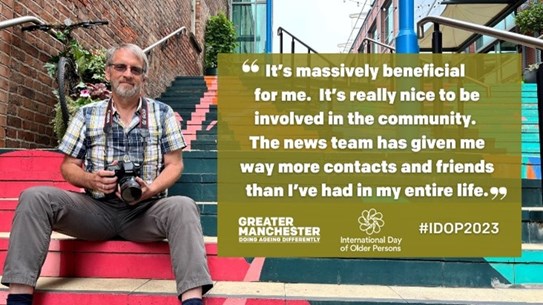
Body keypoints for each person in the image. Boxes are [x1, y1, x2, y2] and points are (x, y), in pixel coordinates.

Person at [2, 43, 213, 305]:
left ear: (143, 77)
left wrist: (151, 188)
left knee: (183, 205)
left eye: (135, 69)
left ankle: (193, 300)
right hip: (95, 210)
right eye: (121, 67)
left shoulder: (162, 113)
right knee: (35, 197)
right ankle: (19, 299)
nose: (128, 74)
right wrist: (91, 179)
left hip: (144, 211)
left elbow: (175, 165)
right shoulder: (87, 114)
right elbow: (68, 166)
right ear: (108, 72)